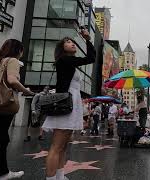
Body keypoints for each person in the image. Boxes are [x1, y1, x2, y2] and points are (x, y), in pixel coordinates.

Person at [42, 28, 96, 180]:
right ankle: (51, 178)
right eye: (68, 42)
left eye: (72, 42)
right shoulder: (65, 60)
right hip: (66, 103)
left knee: (63, 145)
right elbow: (91, 58)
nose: (72, 44)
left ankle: (59, 175)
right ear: (62, 48)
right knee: (56, 146)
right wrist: (87, 39)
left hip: (71, 103)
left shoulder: (69, 62)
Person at [0, 39, 34, 179]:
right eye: (21, 51)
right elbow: (12, 80)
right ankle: (1, 173)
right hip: (3, 105)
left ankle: (1, 172)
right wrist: (26, 91)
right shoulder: (12, 61)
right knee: (1, 139)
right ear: (18, 50)